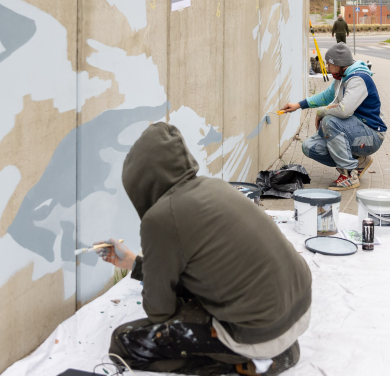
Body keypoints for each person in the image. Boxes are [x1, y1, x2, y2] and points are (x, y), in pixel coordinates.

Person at [99, 123, 312, 376]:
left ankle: (256, 362)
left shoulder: (160, 218)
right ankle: (271, 348)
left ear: (140, 182)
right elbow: (201, 267)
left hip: (259, 332)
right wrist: (133, 264)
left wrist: (172, 299)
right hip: (299, 306)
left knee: (123, 342)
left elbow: (159, 311)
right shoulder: (214, 186)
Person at [281, 43, 387, 190]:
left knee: (329, 121)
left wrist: (321, 113)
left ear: (338, 64)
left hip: (372, 135)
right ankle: (359, 162)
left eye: (329, 64)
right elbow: (326, 96)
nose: (327, 68)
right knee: (309, 147)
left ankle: (349, 175)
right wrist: (298, 105)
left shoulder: (358, 79)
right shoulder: (342, 78)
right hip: (354, 131)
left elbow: (344, 110)